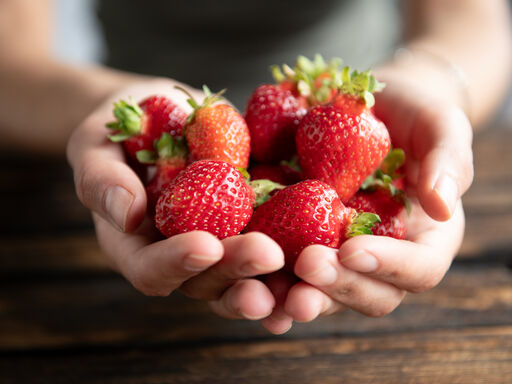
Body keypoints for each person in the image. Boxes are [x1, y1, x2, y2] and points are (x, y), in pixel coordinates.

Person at [0, 0, 510, 334]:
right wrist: (107, 105)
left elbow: (472, 22)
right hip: (163, 120)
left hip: (352, 92)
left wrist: (431, 83)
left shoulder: (347, 137)